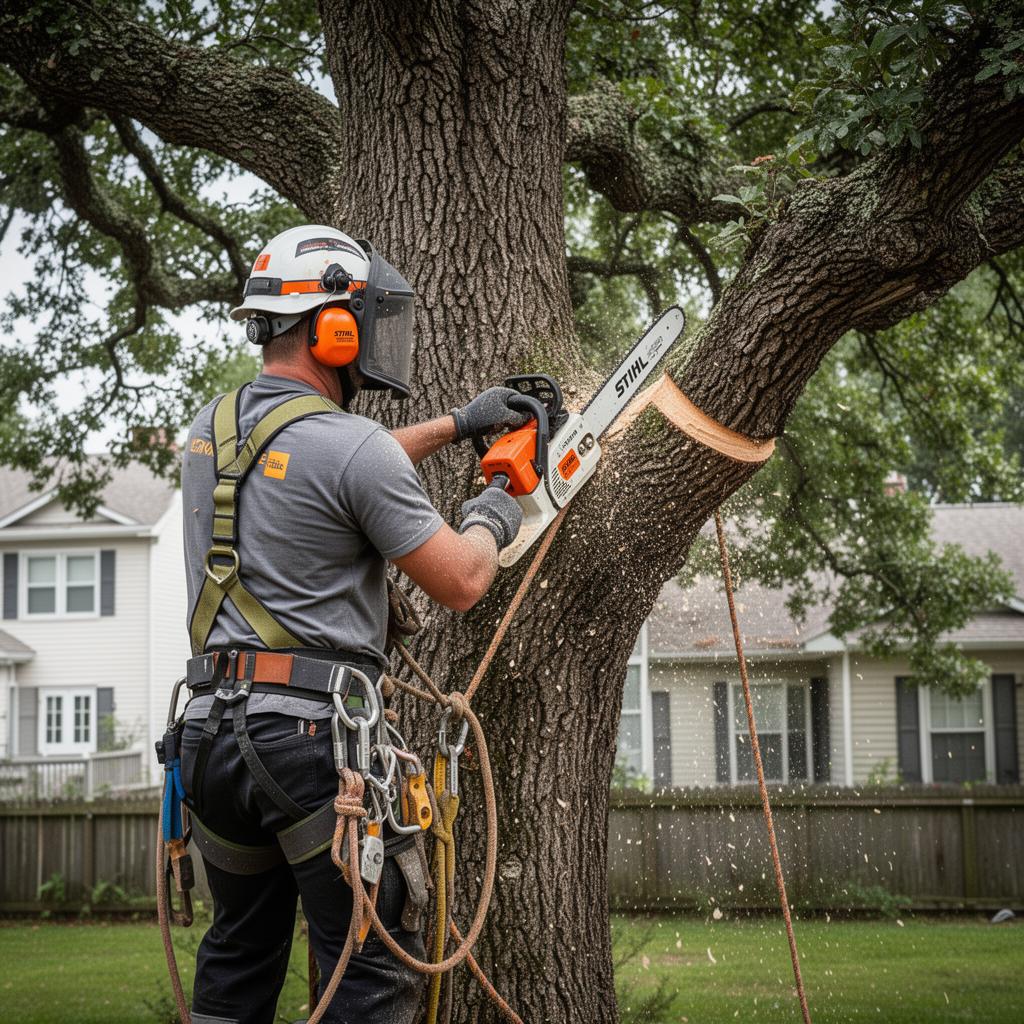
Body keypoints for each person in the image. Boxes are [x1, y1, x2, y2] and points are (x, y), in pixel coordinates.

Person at [176, 224, 526, 1024]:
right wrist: (494, 510)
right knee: (368, 975)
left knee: (235, 960)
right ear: (333, 327)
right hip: (312, 750)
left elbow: (322, 466)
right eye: (366, 319)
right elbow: (464, 581)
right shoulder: (351, 446)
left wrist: (455, 425)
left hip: (210, 740)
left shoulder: (211, 432)